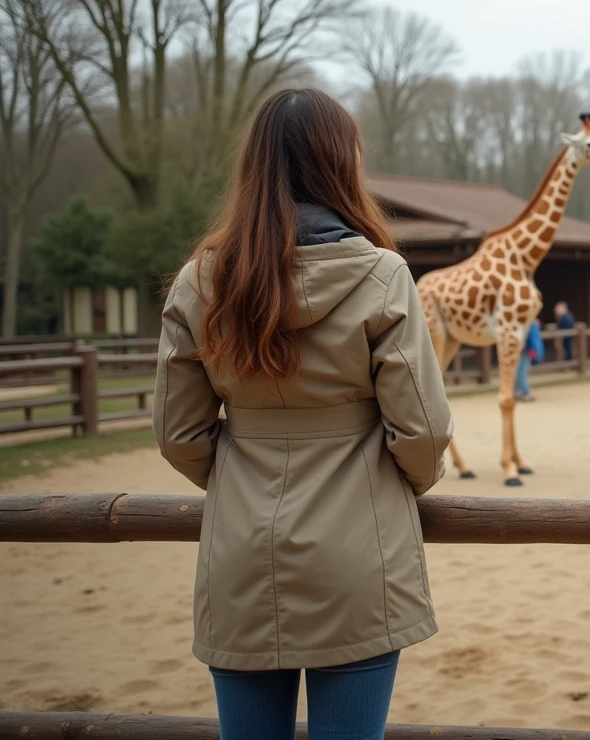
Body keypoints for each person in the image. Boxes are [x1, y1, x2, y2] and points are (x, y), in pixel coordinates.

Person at [152, 88, 454, 740]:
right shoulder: (381, 276)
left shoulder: (199, 282)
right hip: (358, 556)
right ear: (339, 164)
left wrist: (239, 478)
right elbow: (424, 430)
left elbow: (178, 434)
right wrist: (394, 484)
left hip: (239, 560)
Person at [515, 319, 544, 402]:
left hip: (525, 351)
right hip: (525, 350)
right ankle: (520, 391)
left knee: (521, 372)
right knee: (520, 371)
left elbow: (531, 339)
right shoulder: (531, 323)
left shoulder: (530, 324)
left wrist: (532, 350)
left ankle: (526, 392)